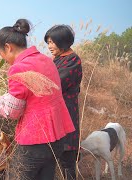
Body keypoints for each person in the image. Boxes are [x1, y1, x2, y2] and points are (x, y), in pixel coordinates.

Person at [0, 19, 75, 180]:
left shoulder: (18, 68)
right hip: (57, 137)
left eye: (0, 53)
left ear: (8, 47)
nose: (2, 58)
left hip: (34, 140)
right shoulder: (45, 60)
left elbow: (12, 112)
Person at [44, 25, 83, 180]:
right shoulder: (58, 59)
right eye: (48, 42)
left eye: (53, 42)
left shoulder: (73, 60)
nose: (49, 46)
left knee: (67, 160)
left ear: (63, 41)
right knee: (53, 158)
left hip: (66, 114)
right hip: (54, 114)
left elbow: (55, 84)